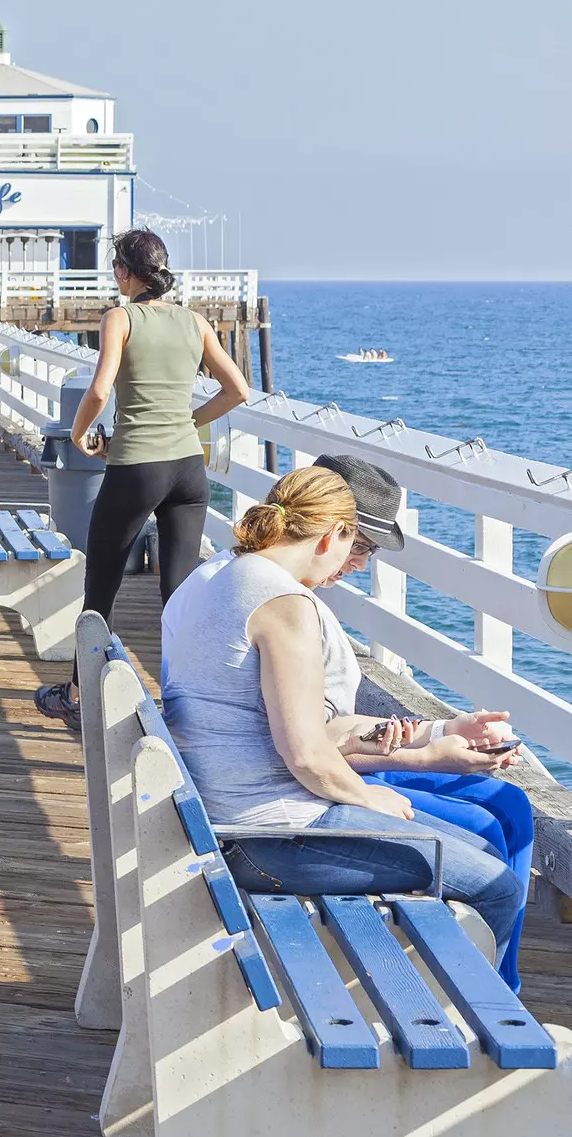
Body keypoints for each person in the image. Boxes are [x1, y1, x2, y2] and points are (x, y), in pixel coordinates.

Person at [162, 455, 537, 989]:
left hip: (234, 821)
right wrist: (369, 797)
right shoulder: (285, 603)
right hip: (268, 836)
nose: (356, 560)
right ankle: (487, 1029)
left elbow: (299, 731)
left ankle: (464, 1010)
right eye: (357, 544)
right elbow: (308, 756)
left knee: (475, 849)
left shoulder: (224, 579)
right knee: (497, 883)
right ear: (334, 531)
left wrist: (430, 739)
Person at [36, 229, 250, 728]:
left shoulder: (121, 317)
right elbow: (237, 389)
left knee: (101, 586)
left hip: (136, 467)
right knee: (178, 595)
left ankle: (76, 696)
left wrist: (79, 435)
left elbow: (99, 388)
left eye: (116, 267)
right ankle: (188, 709)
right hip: (187, 470)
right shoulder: (195, 322)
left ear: (126, 273)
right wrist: (187, 422)